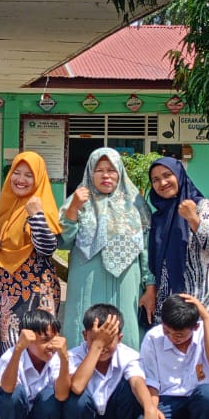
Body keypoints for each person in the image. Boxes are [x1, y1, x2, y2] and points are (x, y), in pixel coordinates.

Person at [60, 148, 152, 350]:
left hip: (126, 279)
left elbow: (146, 248)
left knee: (125, 327)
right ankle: (78, 373)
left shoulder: (136, 204)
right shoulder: (78, 200)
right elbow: (63, 242)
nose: (106, 175)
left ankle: (125, 376)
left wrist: (150, 286)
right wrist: (74, 208)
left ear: (120, 172)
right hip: (87, 277)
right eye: (99, 170)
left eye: (111, 170)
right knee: (82, 325)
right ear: (90, 172)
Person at [60, 303, 153, 419]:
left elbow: (137, 382)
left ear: (120, 338)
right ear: (84, 335)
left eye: (108, 340)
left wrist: (150, 409)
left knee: (130, 389)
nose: (102, 346)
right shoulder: (73, 356)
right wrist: (96, 347)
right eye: (94, 339)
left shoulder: (130, 356)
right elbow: (77, 387)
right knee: (76, 396)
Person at [145, 156, 209, 342]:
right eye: (155, 180)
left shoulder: (203, 207)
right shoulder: (158, 217)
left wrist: (193, 220)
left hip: (201, 301)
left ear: (179, 175)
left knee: (205, 359)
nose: (162, 183)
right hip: (167, 304)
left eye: (167, 175)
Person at [0, 152, 63, 352]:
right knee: (11, 349)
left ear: (39, 178)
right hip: (8, 292)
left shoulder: (41, 205)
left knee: (40, 347)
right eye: (17, 173)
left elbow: (47, 248)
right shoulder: (8, 207)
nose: (21, 180)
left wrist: (37, 216)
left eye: (29, 175)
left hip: (37, 291)